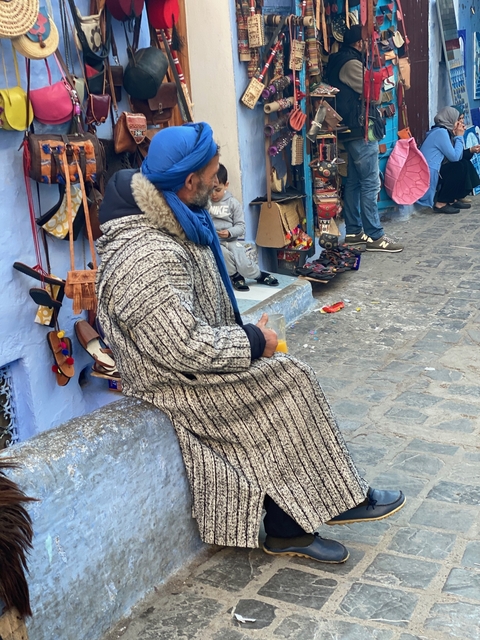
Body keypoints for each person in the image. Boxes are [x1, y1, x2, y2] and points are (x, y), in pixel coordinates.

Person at [96, 122, 405, 564]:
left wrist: (246, 335)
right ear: (189, 182)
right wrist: (254, 340)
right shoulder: (146, 254)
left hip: (191, 366)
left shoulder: (178, 220)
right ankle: (310, 514)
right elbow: (181, 346)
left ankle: (309, 514)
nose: (220, 178)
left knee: (287, 379)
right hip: (173, 383)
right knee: (285, 384)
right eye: (214, 170)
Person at [326, 25, 404, 253]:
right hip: (360, 129)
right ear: (359, 44)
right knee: (370, 182)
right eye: (368, 42)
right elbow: (375, 94)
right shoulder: (350, 64)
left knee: (354, 182)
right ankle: (375, 235)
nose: (371, 46)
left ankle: (353, 233)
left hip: (351, 129)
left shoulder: (344, 60)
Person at [208, 163, 278, 292]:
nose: (214, 194)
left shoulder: (233, 203)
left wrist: (229, 233)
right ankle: (235, 277)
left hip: (231, 240)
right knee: (223, 255)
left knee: (242, 261)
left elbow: (241, 227)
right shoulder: (205, 203)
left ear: (226, 185)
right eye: (210, 189)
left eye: (218, 189)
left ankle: (259, 275)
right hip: (215, 241)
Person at [417, 106, 480, 213]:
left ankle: (452, 199)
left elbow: (459, 156)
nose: (460, 124)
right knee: (457, 167)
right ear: (450, 120)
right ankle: (441, 203)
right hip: (429, 172)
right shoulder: (440, 132)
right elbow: (454, 158)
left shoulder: (447, 133)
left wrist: (459, 138)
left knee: (463, 163)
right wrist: (459, 137)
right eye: (458, 121)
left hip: (438, 169)